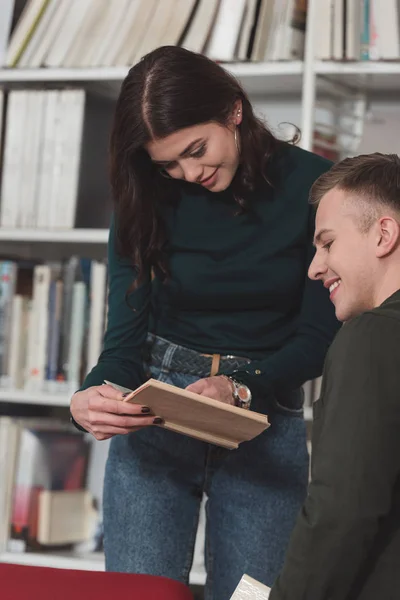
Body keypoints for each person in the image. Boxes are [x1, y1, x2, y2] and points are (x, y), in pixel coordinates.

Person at [70, 46, 339, 600]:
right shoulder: (142, 192)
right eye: (169, 164)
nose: (189, 173)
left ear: (233, 110)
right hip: (156, 412)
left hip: (264, 415)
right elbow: (123, 339)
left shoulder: (319, 187)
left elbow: (318, 337)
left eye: (196, 150)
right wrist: (94, 395)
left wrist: (241, 387)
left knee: (253, 596)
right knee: (136, 596)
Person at [270, 152, 400, 600]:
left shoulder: (370, 337)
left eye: (327, 243)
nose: (314, 267)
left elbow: (343, 509)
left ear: (384, 233)